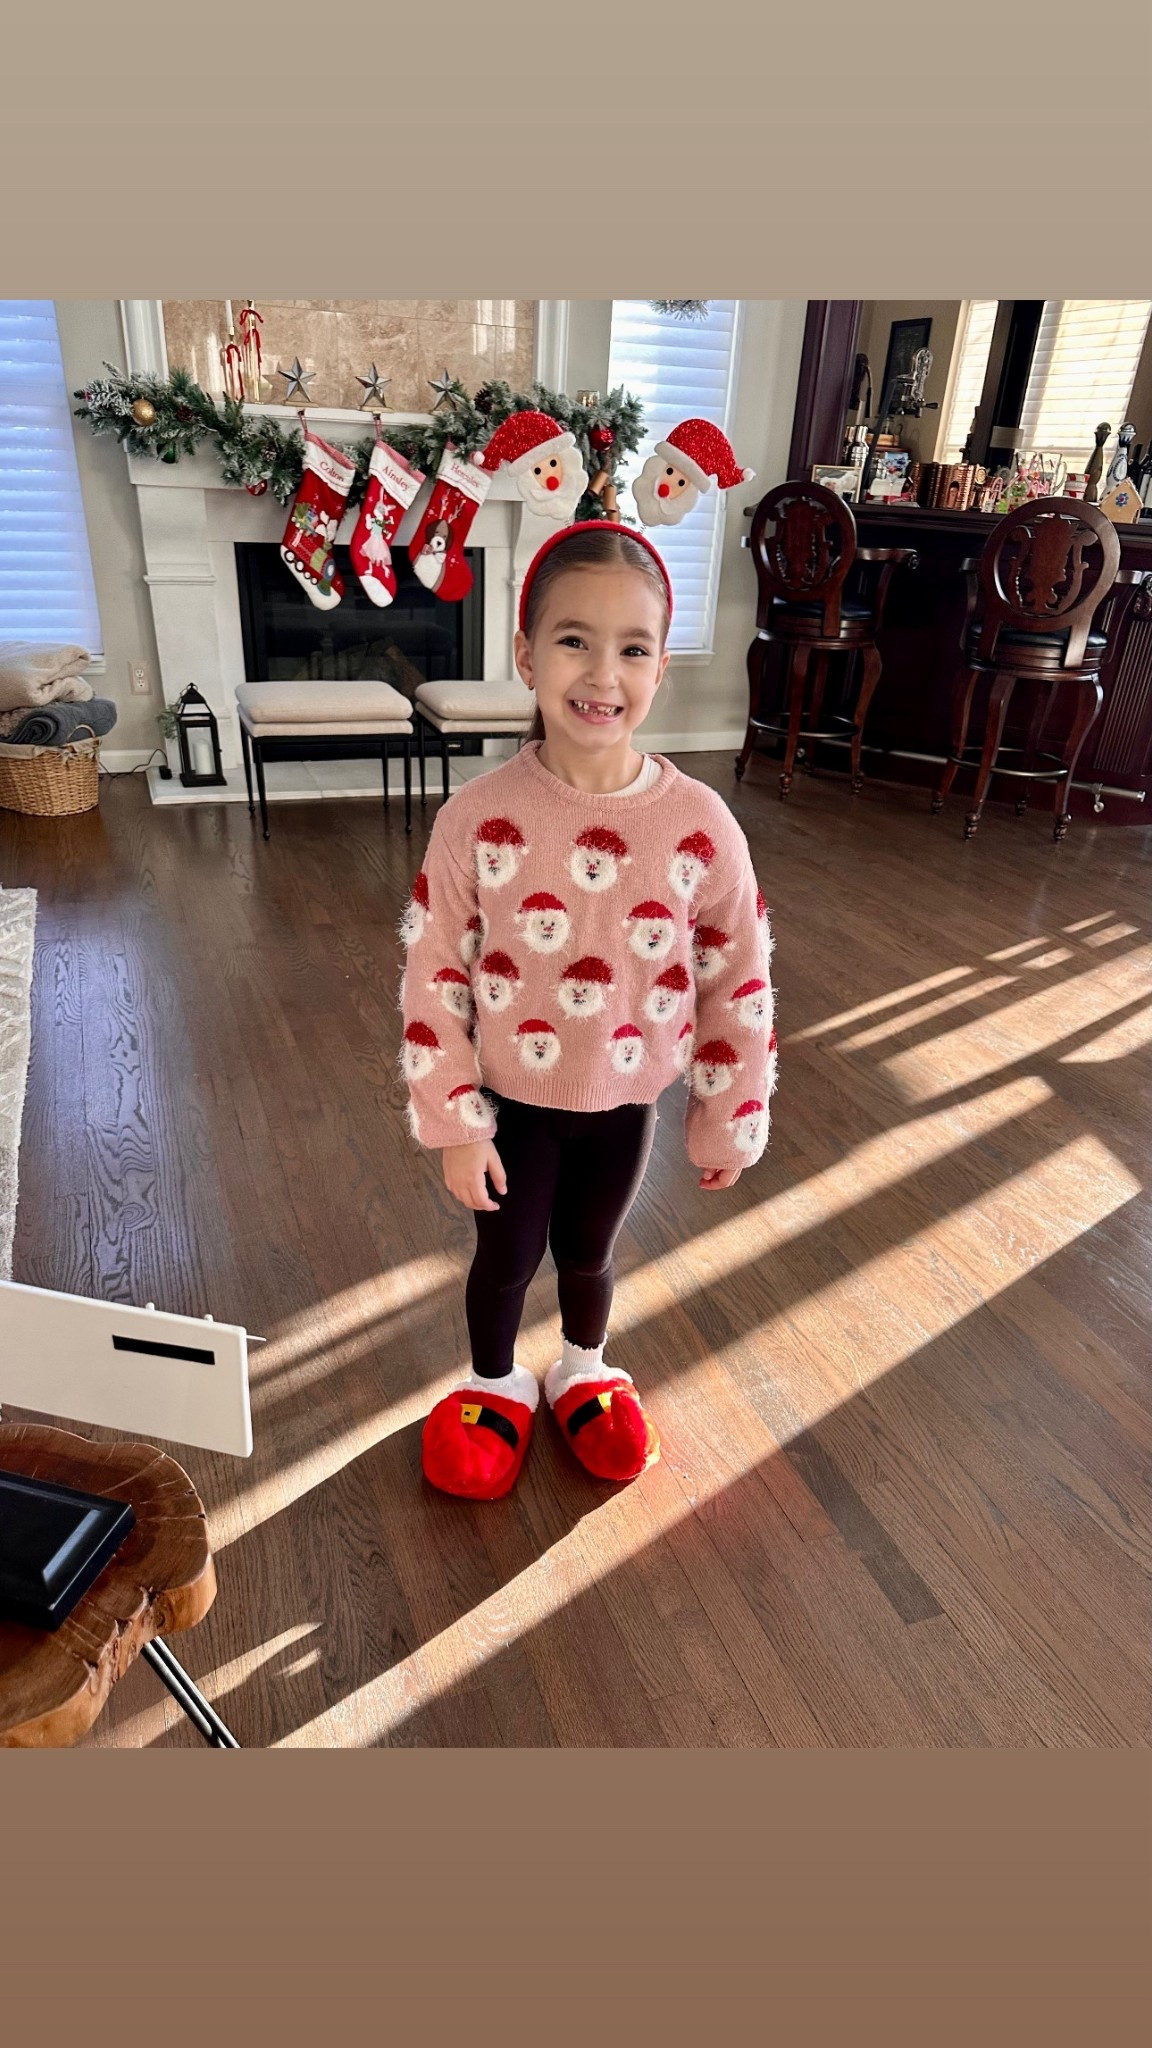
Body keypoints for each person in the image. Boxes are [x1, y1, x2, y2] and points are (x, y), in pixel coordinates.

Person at [398, 521, 777, 1501]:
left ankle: (584, 1366)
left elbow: (738, 968)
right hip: (511, 1103)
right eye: (572, 639)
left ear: (661, 665)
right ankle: (493, 1382)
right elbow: (433, 972)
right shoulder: (473, 818)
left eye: (633, 646)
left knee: (590, 1252)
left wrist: (728, 1106)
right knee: (507, 1255)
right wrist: (452, 1119)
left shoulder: (701, 825)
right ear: (524, 652)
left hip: (625, 1103)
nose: (601, 671)